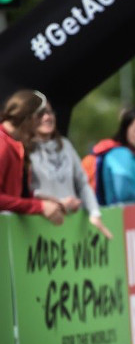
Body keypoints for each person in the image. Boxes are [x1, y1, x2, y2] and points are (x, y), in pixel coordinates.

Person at [29, 97, 113, 238]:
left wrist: (94, 213)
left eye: (50, 112)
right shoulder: (24, 149)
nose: (47, 117)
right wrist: (59, 203)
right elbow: (27, 191)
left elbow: (82, 182)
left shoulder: (65, 145)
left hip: (71, 225)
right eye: (41, 113)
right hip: (41, 228)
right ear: (28, 119)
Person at [0, 90, 65, 224]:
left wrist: (37, 200)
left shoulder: (13, 144)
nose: (41, 123)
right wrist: (40, 206)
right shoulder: (3, 144)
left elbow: (11, 195)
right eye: (40, 117)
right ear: (30, 118)